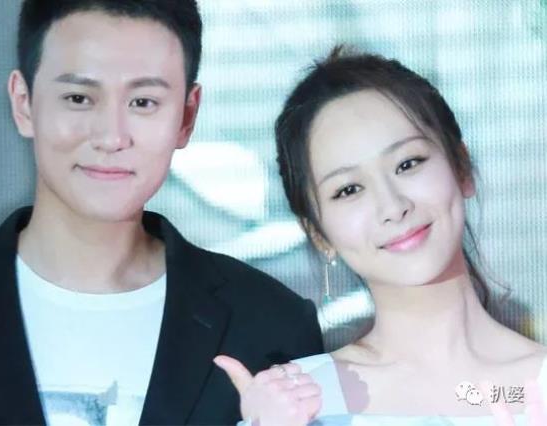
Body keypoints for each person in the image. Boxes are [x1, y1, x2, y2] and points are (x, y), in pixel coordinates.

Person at [0, 1, 324, 424]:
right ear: (24, 104)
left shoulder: (269, 323)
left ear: (186, 116)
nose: (111, 136)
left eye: (143, 102)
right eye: (78, 98)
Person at [215, 47, 547, 425]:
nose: (392, 206)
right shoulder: (297, 402)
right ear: (318, 233)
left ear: (462, 167)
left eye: (408, 163)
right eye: (349, 189)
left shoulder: (537, 385)